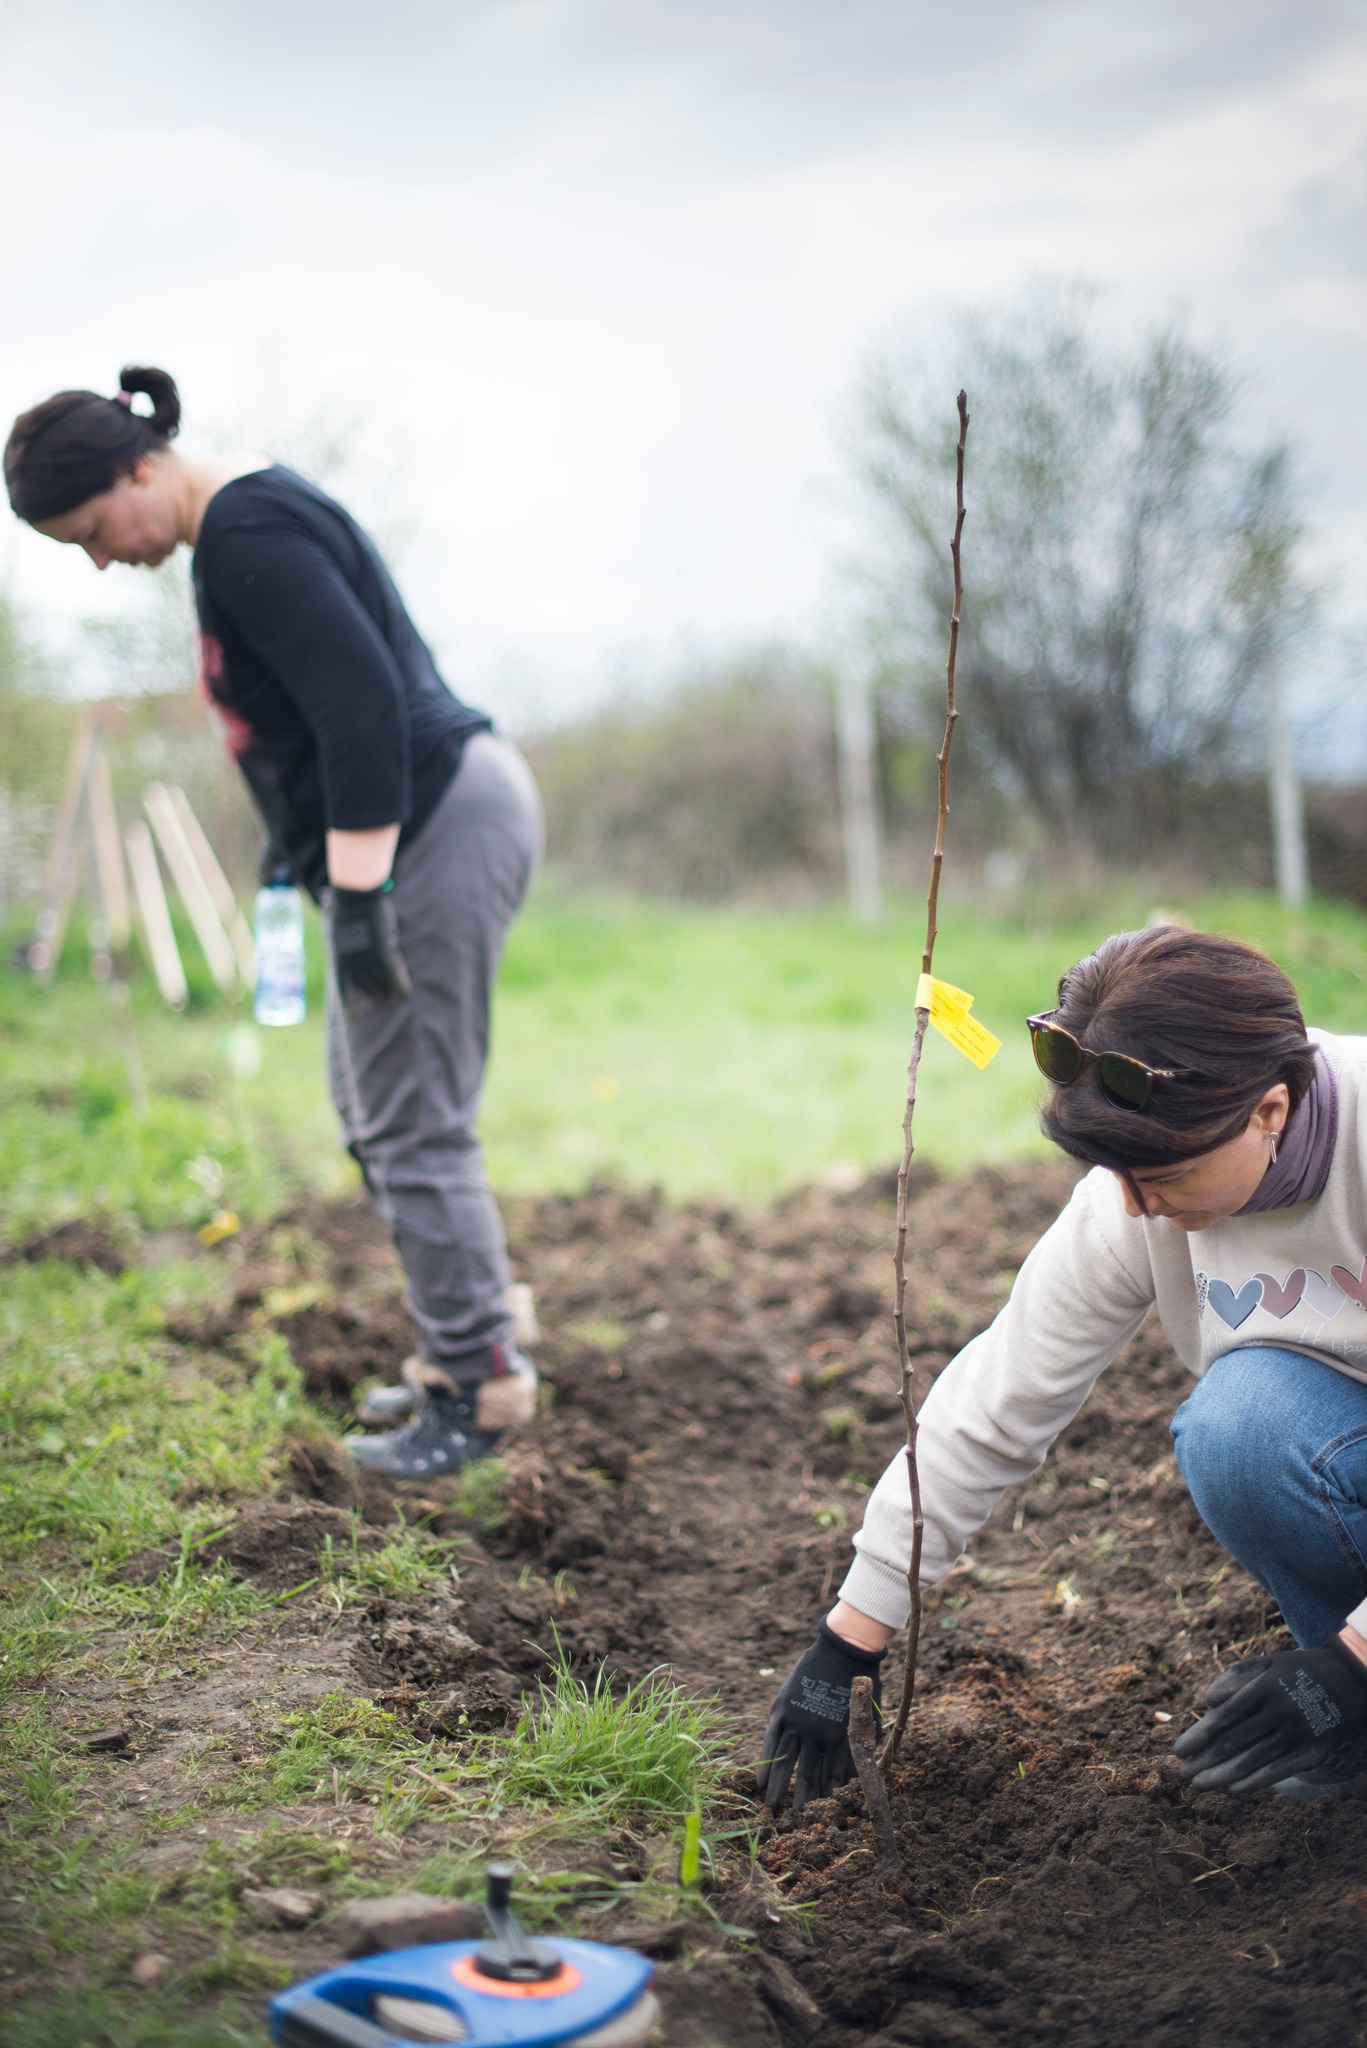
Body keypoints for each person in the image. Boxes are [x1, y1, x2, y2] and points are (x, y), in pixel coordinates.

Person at [5, 365, 544, 1479]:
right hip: (432, 819)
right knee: (375, 1103)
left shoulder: (246, 529)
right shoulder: (249, 519)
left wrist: (354, 895)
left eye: (94, 531)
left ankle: (482, 1388)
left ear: (136, 469)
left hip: (432, 828)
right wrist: (294, 841)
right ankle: (465, 1340)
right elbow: (314, 715)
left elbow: (357, 705)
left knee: (409, 1118)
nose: (102, 559)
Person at [759, 926, 1367, 1812]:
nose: (1133, 1205)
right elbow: (997, 1401)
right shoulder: (1134, 1199)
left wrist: (1352, 1667)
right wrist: (849, 1639)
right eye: (1113, 1172)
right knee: (1239, 1431)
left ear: (1268, 1111)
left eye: (1162, 1173)